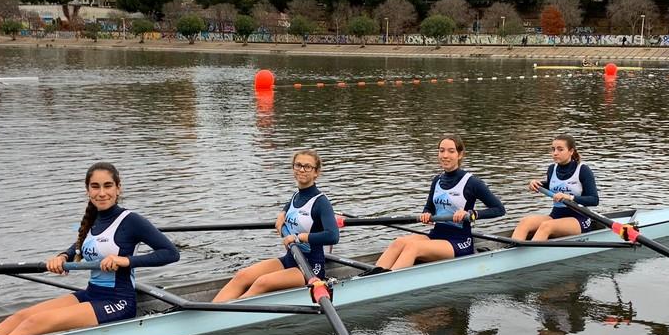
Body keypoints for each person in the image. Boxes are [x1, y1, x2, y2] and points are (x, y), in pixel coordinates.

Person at [0, 162, 179, 335]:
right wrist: (61, 257)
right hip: (91, 294)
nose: (101, 193)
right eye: (95, 187)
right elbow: (78, 247)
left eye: (108, 186)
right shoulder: (92, 220)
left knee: (35, 323)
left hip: (118, 301)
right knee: (21, 316)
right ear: (87, 190)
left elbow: (171, 253)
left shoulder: (131, 220)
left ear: (118, 188)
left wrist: (125, 260)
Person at [212, 149, 339, 302]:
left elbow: (333, 236)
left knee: (262, 282)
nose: (302, 170)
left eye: (307, 167)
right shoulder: (296, 195)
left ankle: (222, 316)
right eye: (298, 165)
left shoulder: (321, 202)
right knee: (242, 275)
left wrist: (300, 237)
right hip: (290, 258)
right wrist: (282, 212)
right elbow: (293, 204)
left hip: (310, 268)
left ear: (316, 172)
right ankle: (209, 313)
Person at [368, 135, 505, 273]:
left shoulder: (472, 183)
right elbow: (429, 208)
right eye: (441, 150)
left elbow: (499, 209)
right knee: (399, 242)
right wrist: (426, 214)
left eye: (451, 151)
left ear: (460, 154)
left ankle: (387, 281)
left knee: (414, 248)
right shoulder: (437, 181)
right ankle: (369, 279)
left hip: (459, 241)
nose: (445, 155)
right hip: (436, 234)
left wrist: (472, 214)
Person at [512, 134, 599, 242]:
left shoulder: (583, 170)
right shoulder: (552, 169)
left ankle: (531, 255)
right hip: (556, 215)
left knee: (547, 227)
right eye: (553, 149)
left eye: (560, 149)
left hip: (579, 218)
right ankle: (511, 252)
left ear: (571, 151)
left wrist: (569, 197)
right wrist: (536, 184)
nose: (555, 153)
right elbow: (551, 186)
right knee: (525, 222)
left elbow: (594, 200)